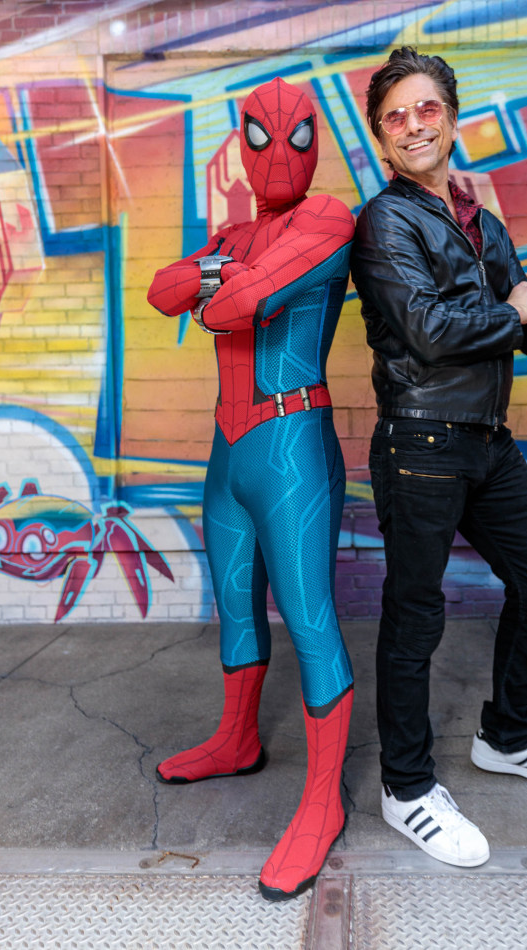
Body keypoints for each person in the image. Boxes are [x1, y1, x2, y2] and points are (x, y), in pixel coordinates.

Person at [350, 47, 527, 868]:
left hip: (488, 440)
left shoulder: (480, 219)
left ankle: (506, 736)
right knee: (416, 616)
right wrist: (513, 306)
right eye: (396, 117)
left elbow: (518, 325)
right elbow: (429, 330)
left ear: (451, 116)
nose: (414, 124)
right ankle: (406, 788)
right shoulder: (384, 221)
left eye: (426, 109)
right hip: (419, 442)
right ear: (381, 139)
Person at [147, 77, 355, 901]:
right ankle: (236, 740)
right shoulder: (234, 230)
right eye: (260, 137)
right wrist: (217, 276)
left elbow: (228, 303)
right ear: (241, 139)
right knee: (234, 607)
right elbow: (165, 287)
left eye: (295, 135)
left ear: (315, 137)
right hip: (231, 450)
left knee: (309, 618)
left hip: (293, 444)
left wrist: (221, 279)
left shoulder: (331, 218)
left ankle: (321, 801)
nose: (277, 153)